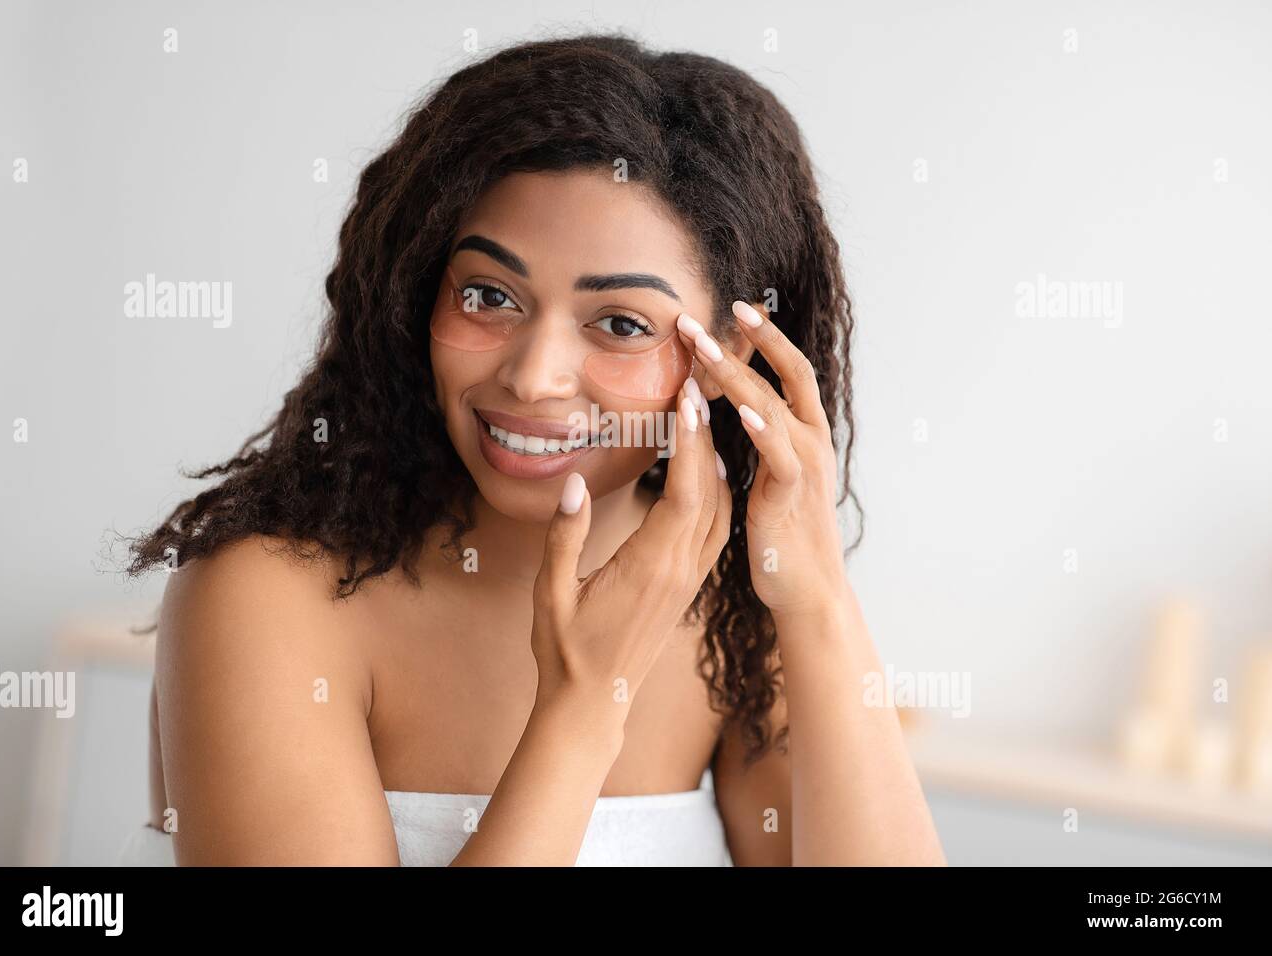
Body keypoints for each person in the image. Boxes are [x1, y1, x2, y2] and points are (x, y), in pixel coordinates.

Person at [122, 32, 946, 866]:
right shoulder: (267, 595)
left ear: (733, 363)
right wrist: (581, 710)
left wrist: (818, 603)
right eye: (489, 295)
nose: (534, 377)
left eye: (621, 324)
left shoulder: (737, 612)